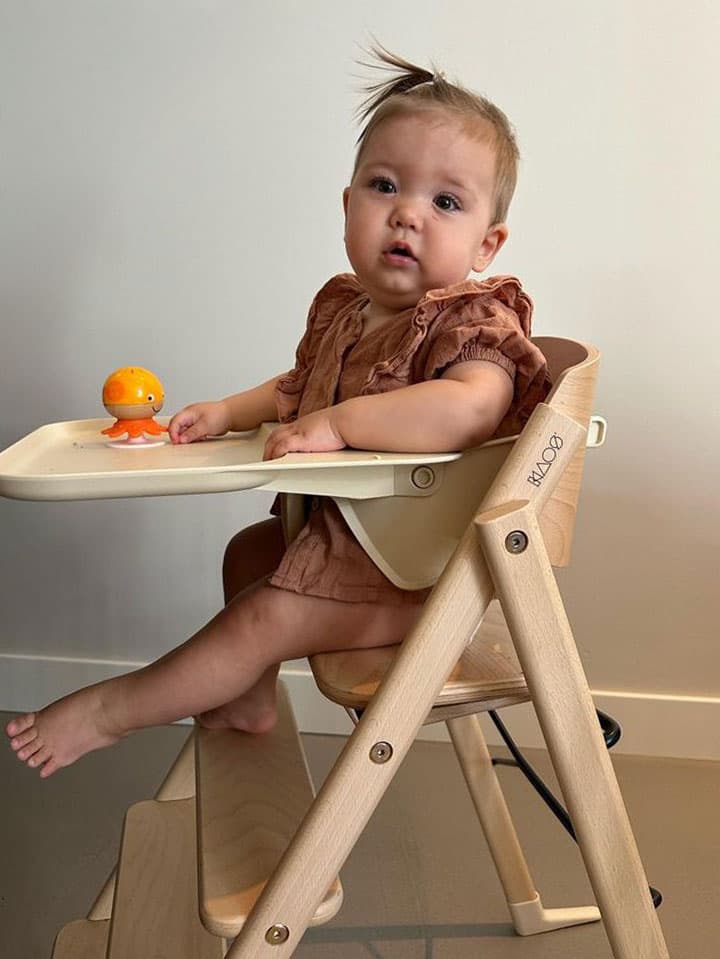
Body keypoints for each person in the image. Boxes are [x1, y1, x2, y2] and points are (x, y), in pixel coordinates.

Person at [6, 47, 549, 778]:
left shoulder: (472, 323)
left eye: (446, 202)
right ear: (348, 204)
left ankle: (111, 712)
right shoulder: (345, 311)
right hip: (355, 545)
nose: (408, 214)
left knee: (261, 616)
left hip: (422, 579)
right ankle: (246, 700)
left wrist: (342, 425)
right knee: (248, 555)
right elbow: (301, 385)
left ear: (487, 243)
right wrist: (229, 411)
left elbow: (472, 409)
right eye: (385, 185)